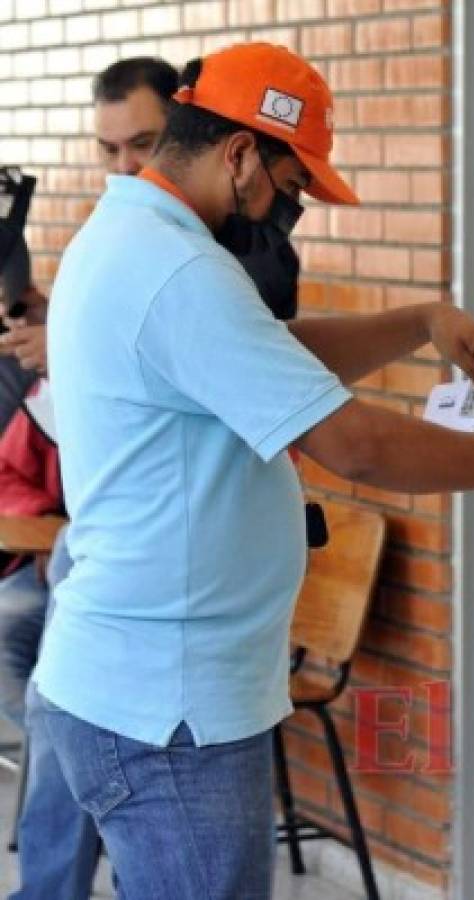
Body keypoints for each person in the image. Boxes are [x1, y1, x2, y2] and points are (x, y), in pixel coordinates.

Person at [32, 41, 474, 899]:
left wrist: (420, 320)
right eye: (291, 186)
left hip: (147, 685)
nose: (291, 212)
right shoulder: (177, 268)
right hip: (168, 707)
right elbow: (356, 446)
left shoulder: (137, 238)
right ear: (240, 154)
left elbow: (267, 353)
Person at [6, 57, 182, 900]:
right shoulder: (113, 236)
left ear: (187, 131)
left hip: (160, 559)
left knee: (60, 723)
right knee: (52, 721)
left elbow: (170, 378)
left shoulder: (216, 249)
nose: (123, 167)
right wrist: (57, 326)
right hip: (95, 537)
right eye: (108, 149)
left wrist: (69, 350)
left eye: (141, 144)